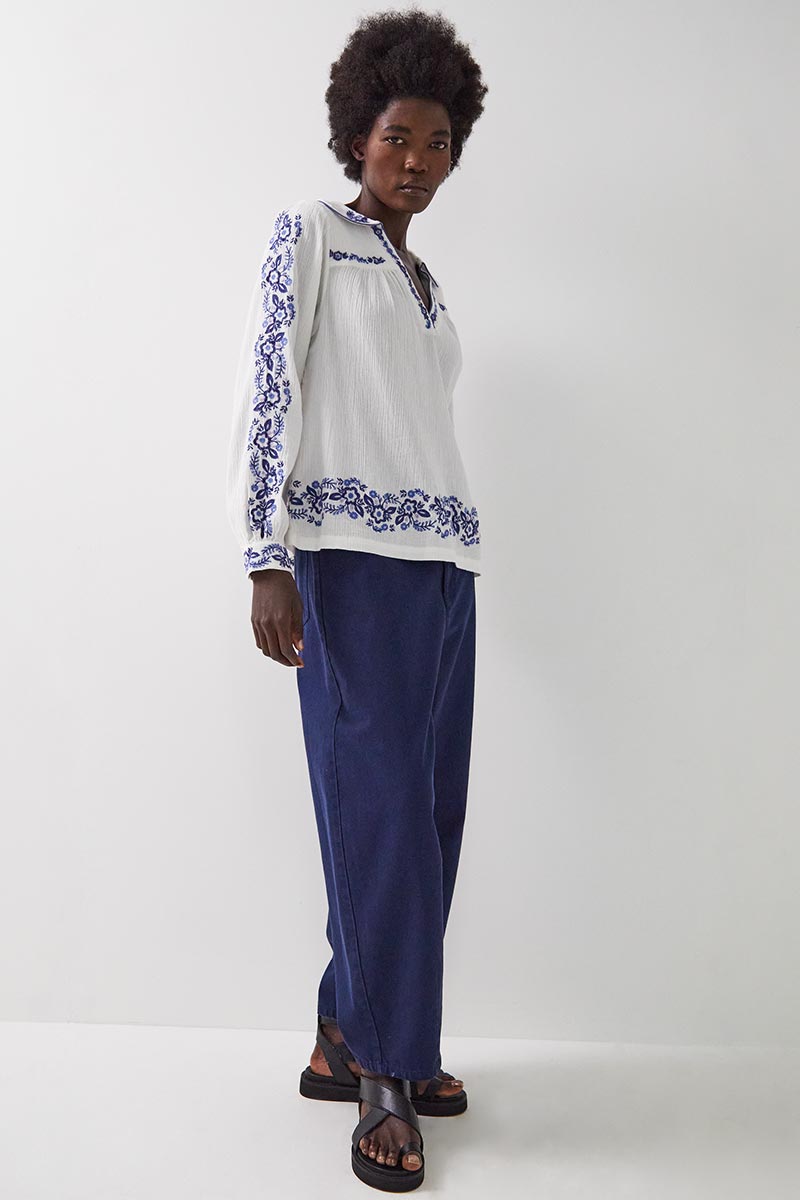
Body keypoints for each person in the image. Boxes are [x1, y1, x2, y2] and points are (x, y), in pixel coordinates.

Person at [226, 8, 488, 1191]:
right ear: (356, 136)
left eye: (436, 142)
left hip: (442, 569)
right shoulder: (312, 235)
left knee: (425, 819)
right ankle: (388, 1069)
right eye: (397, 136)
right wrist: (264, 554)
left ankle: (347, 1031)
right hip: (346, 560)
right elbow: (268, 384)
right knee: (378, 813)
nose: (416, 160)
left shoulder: (422, 279)